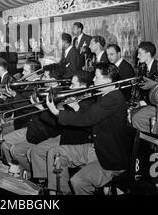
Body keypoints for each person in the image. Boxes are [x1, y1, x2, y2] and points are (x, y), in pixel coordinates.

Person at [45, 62, 130, 195]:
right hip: (97, 148)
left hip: (109, 158)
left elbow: (88, 119)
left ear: (108, 80)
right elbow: (92, 120)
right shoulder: (104, 95)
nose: (93, 80)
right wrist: (77, 107)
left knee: (78, 181)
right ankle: (60, 192)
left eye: (96, 76)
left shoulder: (114, 97)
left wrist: (57, 112)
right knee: (56, 152)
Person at [132, 41, 158, 133]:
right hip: (146, 103)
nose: (137, 56)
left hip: (155, 105)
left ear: (148, 54)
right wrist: (141, 102)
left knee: (136, 118)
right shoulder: (142, 68)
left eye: (139, 53)